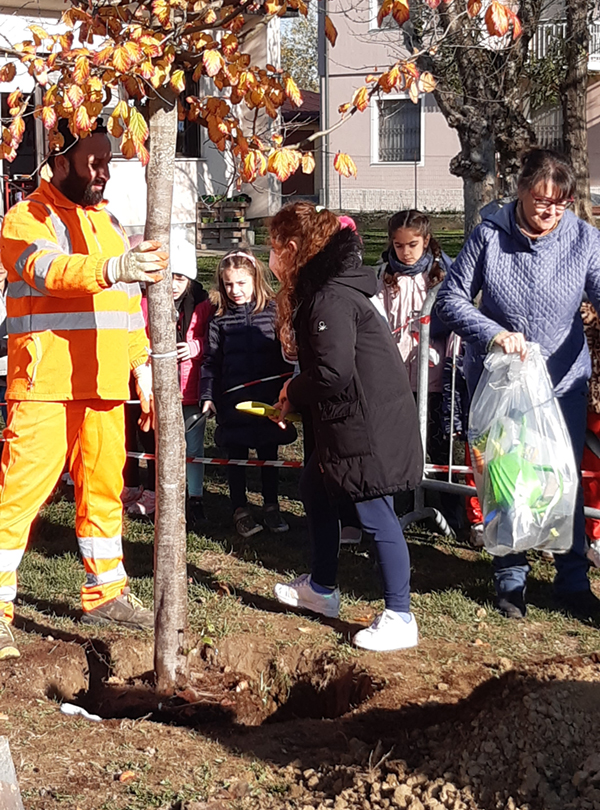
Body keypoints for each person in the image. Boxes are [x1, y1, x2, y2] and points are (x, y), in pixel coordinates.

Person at [0, 119, 169, 659]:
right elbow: (48, 270)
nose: (103, 172)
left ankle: (107, 592)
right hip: (45, 387)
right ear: (60, 162)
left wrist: (141, 367)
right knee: (18, 499)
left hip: (102, 385)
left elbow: (126, 309)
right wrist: (115, 265)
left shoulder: (108, 223)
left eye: (108, 161)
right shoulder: (28, 218)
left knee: (104, 494)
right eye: (93, 161)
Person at [436, 147, 600, 622]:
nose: (549, 211)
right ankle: (511, 580)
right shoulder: (490, 235)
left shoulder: (584, 240)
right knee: (507, 481)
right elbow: (450, 299)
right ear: (521, 190)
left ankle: (572, 581)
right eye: (540, 200)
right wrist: (493, 334)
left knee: (559, 480)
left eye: (560, 203)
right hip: (501, 381)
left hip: (561, 385)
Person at [269, 202, 423, 652]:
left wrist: (294, 394)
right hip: (348, 422)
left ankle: (400, 614)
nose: (272, 258)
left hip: (365, 426)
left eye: (276, 248)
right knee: (315, 488)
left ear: (294, 249)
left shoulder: (329, 299)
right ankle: (321, 588)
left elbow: (332, 373)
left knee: (376, 515)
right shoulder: (330, 292)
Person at [375, 209, 461, 529]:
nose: (406, 252)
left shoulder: (443, 273)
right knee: (399, 446)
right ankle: (401, 509)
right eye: (399, 246)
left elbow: (457, 315)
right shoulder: (384, 276)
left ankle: (451, 513)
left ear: (426, 241)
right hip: (396, 378)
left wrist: (434, 335)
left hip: (434, 380)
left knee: (438, 448)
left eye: (412, 245)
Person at [200, 250, 296, 537]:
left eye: (241, 283)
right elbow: (211, 361)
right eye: (229, 284)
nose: (235, 290)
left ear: (255, 280)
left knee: (269, 453)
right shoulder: (219, 319)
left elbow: (286, 356)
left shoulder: (274, 312)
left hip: (269, 399)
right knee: (236, 456)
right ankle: (239, 508)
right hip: (233, 401)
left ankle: (271, 505)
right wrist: (208, 394)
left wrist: (287, 391)